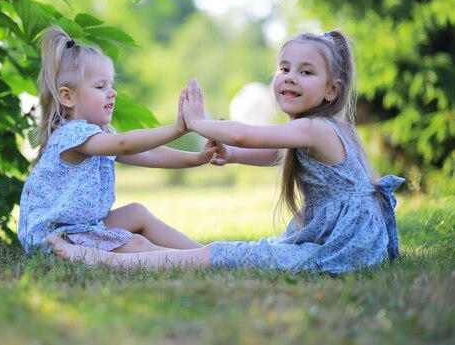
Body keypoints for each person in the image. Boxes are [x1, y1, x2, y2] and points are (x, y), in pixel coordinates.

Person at [49, 31, 405, 274]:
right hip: (354, 240)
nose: (290, 77)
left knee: (231, 255)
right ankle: (189, 256)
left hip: (346, 245)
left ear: (331, 90)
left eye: (306, 72)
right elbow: (273, 154)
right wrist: (231, 155)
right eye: (284, 69)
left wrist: (199, 123)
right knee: (238, 254)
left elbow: (245, 134)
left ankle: (93, 257)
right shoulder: (321, 129)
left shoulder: (314, 128)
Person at [18, 25, 218, 254]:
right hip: (56, 240)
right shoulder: (71, 136)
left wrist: (198, 158)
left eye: (111, 85)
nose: (112, 92)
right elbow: (126, 143)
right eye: (100, 86)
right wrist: (177, 129)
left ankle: (211, 254)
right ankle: (199, 258)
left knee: (136, 212)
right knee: (136, 244)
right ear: (68, 97)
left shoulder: (98, 136)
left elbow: (151, 153)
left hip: (80, 229)